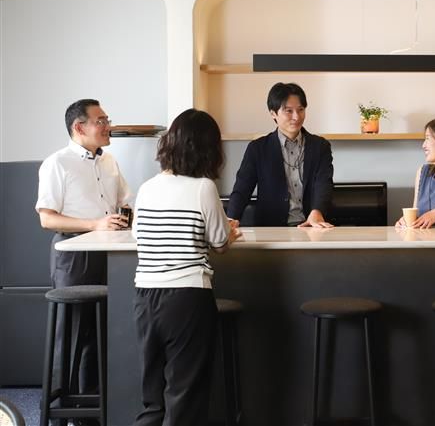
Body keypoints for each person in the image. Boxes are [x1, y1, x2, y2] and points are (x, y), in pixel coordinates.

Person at [132, 108, 242, 426]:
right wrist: (229, 231)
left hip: (145, 297)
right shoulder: (203, 187)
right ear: (207, 148)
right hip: (187, 297)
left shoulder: (147, 187)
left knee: (152, 396)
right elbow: (219, 243)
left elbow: (139, 236)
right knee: (184, 395)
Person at [36, 98, 131, 395]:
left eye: (107, 120)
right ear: (79, 127)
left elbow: (125, 202)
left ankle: (92, 401)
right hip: (73, 253)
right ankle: (61, 403)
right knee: (72, 329)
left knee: (102, 329)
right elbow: (47, 219)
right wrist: (96, 224)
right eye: (101, 121)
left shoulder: (109, 161)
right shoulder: (57, 162)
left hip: (111, 252)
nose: (108, 126)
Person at [227, 82, 334, 227]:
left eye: (301, 110)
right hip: (271, 229)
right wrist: (230, 220)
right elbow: (242, 189)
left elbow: (324, 183)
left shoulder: (320, 146)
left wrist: (317, 211)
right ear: (273, 113)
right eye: (288, 111)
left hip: (311, 227)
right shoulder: (257, 149)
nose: (296, 117)